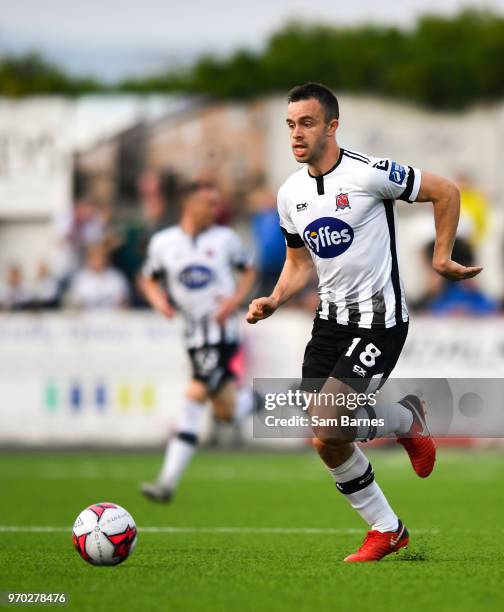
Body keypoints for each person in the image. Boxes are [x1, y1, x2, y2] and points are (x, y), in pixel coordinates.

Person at [246, 83, 482, 562]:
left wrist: (441, 256)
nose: (296, 133)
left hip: (379, 323)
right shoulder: (290, 193)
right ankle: (389, 521)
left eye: (307, 123)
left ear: (332, 126)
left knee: (327, 421)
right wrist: (273, 297)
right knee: (325, 439)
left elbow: (445, 191)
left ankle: (401, 426)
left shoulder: (369, 173)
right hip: (328, 323)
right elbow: (298, 264)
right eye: (290, 124)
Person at [139, 181, 257, 502]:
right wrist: (159, 302)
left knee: (193, 396)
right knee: (226, 412)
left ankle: (166, 483)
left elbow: (248, 270)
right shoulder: (164, 243)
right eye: (209, 203)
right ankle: (262, 400)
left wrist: (233, 301)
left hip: (220, 334)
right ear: (189, 205)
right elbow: (148, 277)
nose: (215, 209)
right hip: (191, 335)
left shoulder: (225, 239)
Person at [66, 243, 130, 309]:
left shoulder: (117, 278)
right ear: (88, 259)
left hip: (112, 317)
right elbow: (73, 303)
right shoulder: (80, 278)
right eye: (94, 257)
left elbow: (124, 302)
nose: (98, 261)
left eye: (101, 257)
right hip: (86, 317)